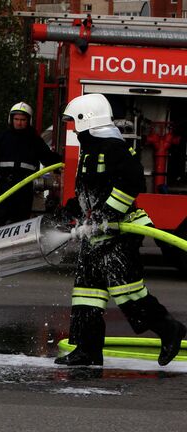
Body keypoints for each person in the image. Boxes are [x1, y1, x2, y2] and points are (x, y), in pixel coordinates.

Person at [56, 93, 186, 367]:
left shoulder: (112, 147)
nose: (72, 129)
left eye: (73, 122)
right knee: (86, 292)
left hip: (120, 231)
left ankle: (168, 329)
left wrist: (109, 213)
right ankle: (87, 349)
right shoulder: (90, 151)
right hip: (97, 233)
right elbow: (91, 191)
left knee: (127, 291)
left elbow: (131, 181)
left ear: (85, 120)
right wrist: (71, 210)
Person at [0, 102, 61, 226]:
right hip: (2, 185)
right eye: (16, 119)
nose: (19, 123)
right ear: (11, 119)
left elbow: (47, 157)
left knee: (19, 219)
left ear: (28, 120)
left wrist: (60, 166)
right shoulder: (2, 137)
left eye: (23, 120)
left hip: (24, 186)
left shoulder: (34, 139)